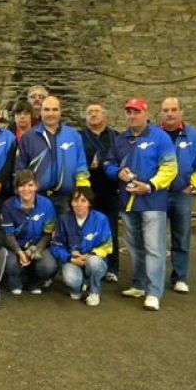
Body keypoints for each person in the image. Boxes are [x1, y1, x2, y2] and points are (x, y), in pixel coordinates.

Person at [105, 98, 177, 311]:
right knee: (135, 247)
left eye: (136, 112)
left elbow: (170, 168)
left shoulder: (160, 137)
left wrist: (150, 186)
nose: (132, 116)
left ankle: (153, 293)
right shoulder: (120, 139)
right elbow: (109, 163)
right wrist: (118, 172)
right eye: (129, 112)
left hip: (152, 202)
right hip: (128, 203)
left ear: (146, 114)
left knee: (154, 249)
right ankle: (139, 284)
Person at [160, 96, 196, 294]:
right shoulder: (154, 135)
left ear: (181, 112)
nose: (169, 114)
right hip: (157, 195)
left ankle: (180, 277)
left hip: (182, 195)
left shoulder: (195, 137)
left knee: (181, 238)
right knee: (155, 239)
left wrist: (192, 187)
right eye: (166, 110)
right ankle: (155, 278)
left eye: (174, 109)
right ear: (161, 113)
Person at [15, 95, 90, 215]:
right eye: (47, 109)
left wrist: (82, 191)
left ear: (60, 112)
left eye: (55, 109)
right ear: (40, 112)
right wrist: (24, 194)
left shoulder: (74, 136)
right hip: (36, 197)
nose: (51, 113)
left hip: (66, 198)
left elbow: (81, 165)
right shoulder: (28, 137)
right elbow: (20, 169)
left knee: (66, 227)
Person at [51, 187, 113, 307]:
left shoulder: (101, 219)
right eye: (75, 200)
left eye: (83, 200)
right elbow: (56, 246)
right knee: (70, 278)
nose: (79, 204)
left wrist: (89, 256)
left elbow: (107, 245)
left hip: (93, 260)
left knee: (94, 262)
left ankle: (94, 291)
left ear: (89, 203)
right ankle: (77, 288)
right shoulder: (63, 219)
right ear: (71, 203)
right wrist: (70, 258)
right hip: (73, 260)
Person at [1, 169, 58, 296]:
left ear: (36, 186)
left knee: (48, 266)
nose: (26, 189)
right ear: (16, 188)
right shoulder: (7, 205)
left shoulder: (47, 204)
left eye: (30, 185)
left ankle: (36, 283)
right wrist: (19, 252)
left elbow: (48, 234)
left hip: (39, 246)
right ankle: (15, 282)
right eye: (22, 185)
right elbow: (8, 235)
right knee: (10, 264)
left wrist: (36, 250)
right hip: (16, 246)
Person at [81, 103, 121, 282]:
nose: (93, 114)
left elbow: (122, 159)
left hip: (110, 190)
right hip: (86, 191)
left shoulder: (116, 137)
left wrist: (104, 162)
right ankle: (87, 267)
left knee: (110, 230)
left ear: (105, 116)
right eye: (89, 112)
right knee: (87, 230)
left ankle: (112, 268)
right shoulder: (79, 137)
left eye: (97, 111)